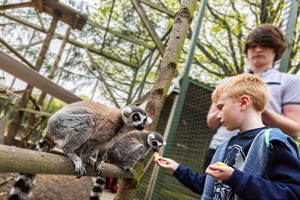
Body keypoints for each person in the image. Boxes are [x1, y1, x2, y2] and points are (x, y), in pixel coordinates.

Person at [154, 73, 300, 199]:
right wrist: (177, 168)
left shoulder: (273, 143)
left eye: (221, 107)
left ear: (243, 103)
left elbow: (292, 193)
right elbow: (210, 186)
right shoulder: (225, 146)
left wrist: (235, 178)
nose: (218, 115)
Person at [204, 24, 300, 171]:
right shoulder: (227, 82)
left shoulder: (290, 81)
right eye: (253, 45)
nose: (258, 49)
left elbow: (294, 129)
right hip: (219, 149)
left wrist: (258, 107)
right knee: (209, 193)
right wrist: (228, 108)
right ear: (247, 49)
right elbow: (211, 122)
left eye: (265, 45)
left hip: (258, 154)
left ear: (276, 49)